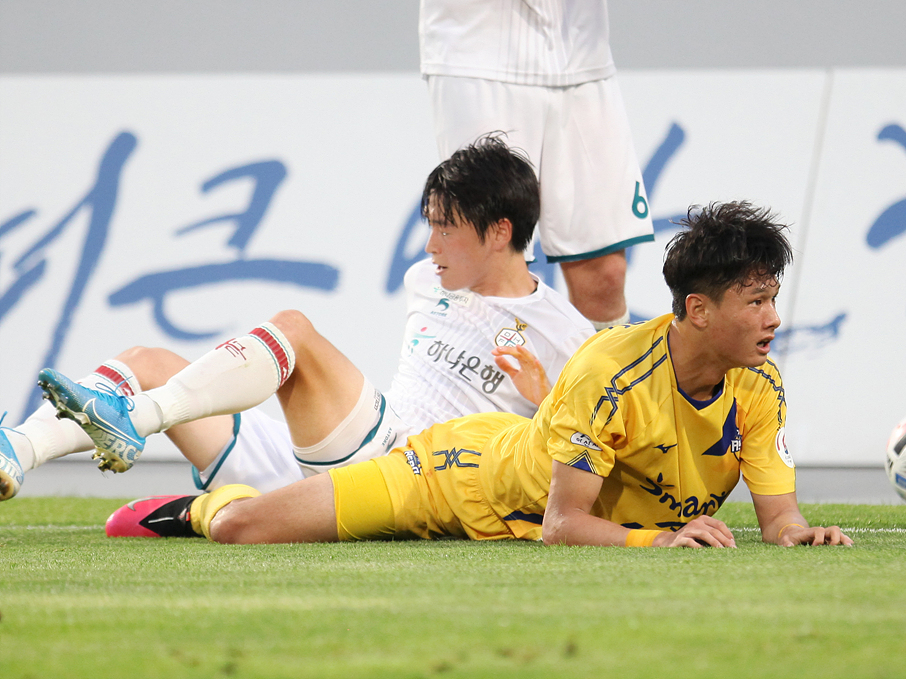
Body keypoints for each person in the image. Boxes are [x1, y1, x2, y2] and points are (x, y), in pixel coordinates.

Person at [43, 201, 851, 549]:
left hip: (507, 496)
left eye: (773, 298)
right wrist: (661, 540)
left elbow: (776, 514)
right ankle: (201, 506)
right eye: (756, 301)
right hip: (456, 477)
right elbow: (563, 526)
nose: (773, 319)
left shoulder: (759, 386)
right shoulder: (611, 371)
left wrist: (797, 532)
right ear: (699, 309)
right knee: (241, 532)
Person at [0, 138, 594, 516]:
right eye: (430, 225)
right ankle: (18, 452)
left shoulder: (566, 335)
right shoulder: (426, 281)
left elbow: (579, 455)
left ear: (500, 231)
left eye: (446, 228)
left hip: (404, 476)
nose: (429, 245)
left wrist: (545, 394)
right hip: (325, 461)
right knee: (145, 361)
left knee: (295, 332)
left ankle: (135, 420)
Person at [409, 0, 654, 330]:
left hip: (581, 46)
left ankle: (597, 379)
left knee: (604, 275)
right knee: (489, 268)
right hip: (478, 50)